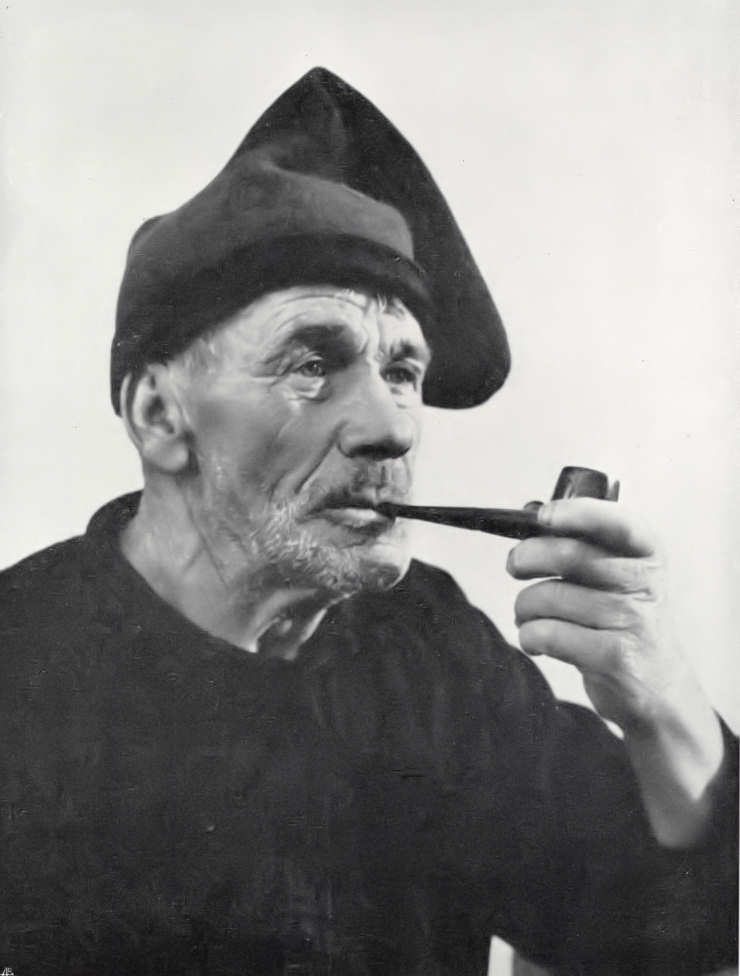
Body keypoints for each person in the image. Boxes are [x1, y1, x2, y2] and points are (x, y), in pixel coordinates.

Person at [0, 68, 736, 976]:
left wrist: (662, 704)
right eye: (313, 363)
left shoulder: (430, 649)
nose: (392, 427)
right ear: (159, 416)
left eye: (402, 372)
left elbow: (659, 930)